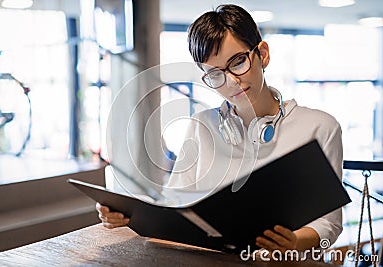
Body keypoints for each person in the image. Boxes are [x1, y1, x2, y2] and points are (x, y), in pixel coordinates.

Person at [97, 4, 343, 254]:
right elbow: (174, 205)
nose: (232, 81)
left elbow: (328, 224)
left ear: (263, 54)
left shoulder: (320, 127)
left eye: (237, 62)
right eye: (215, 74)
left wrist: (293, 243)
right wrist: (132, 216)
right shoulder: (200, 126)